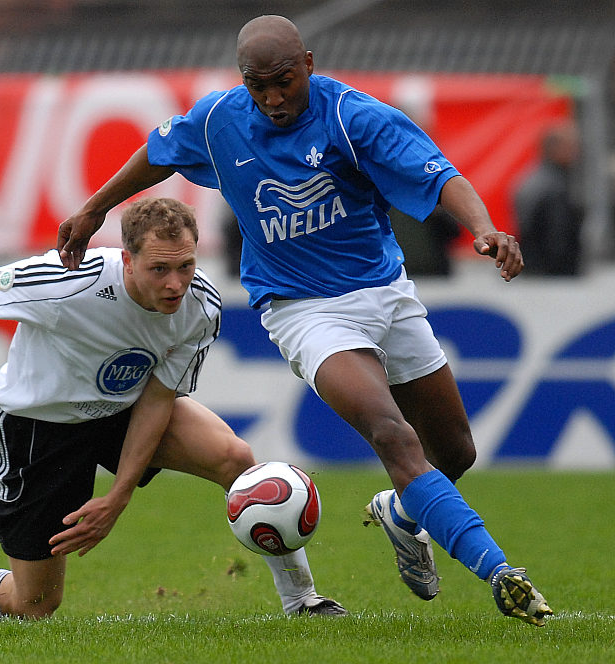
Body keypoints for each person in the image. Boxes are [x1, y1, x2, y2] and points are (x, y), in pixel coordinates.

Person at [55, 16, 553, 626]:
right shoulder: (219, 120)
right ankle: (501, 573)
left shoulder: (352, 117)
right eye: (257, 85)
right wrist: (93, 209)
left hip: (384, 291)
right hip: (302, 308)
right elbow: (158, 153)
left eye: (284, 82)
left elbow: (438, 173)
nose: (272, 98)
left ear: (309, 65)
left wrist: (484, 229)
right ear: (243, 80)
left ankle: (401, 514)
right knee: (392, 435)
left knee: (454, 452)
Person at [0, 197, 344, 620]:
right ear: (127, 261)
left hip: (123, 408)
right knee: (34, 604)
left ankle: (302, 600)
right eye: (159, 269)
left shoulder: (201, 306)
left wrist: (119, 496)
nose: (176, 284)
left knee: (236, 459)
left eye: (186, 266)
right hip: (39, 425)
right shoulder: (70, 282)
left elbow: (158, 398)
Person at [514, 123, 584, 275]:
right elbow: (557, 239)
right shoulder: (553, 187)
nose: (576, 152)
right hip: (549, 274)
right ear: (554, 149)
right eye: (571, 147)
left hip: (535, 269)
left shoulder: (533, 179)